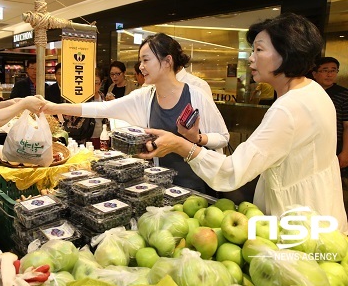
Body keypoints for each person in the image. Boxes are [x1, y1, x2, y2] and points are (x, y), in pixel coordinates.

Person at [138, 13, 348, 233]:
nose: (250, 58)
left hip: (299, 221)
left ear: (286, 53)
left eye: (259, 50)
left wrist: (180, 145)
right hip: (321, 210)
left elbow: (232, 172)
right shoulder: (312, 90)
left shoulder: (289, 108)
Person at [42, 33, 229, 192]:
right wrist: (53, 107)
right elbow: (100, 108)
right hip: (160, 186)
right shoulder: (145, 97)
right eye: (140, 61)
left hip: (195, 186)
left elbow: (223, 137)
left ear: (167, 61)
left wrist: (197, 138)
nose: (140, 67)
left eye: (146, 60)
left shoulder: (196, 94)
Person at [311, 57, 348, 213]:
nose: (329, 74)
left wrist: (345, 152)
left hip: (335, 146)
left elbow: (347, 125)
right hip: (312, 145)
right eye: (325, 70)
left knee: (332, 185)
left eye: (333, 70)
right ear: (314, 73)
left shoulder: (344, 94)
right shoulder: (309, 92)